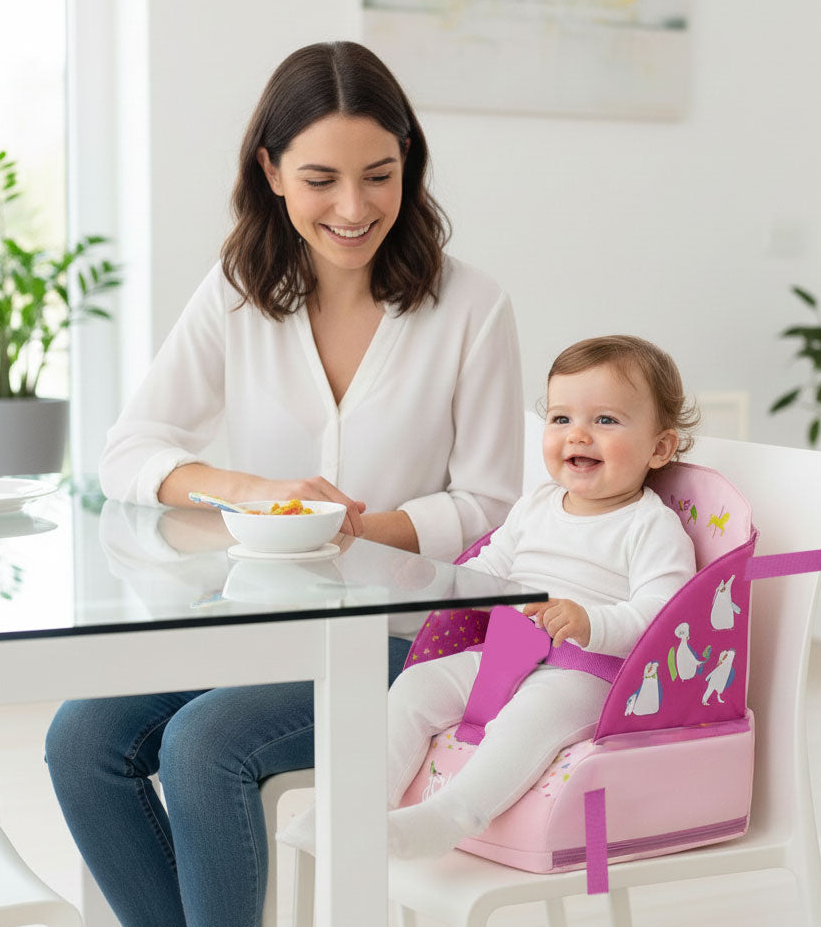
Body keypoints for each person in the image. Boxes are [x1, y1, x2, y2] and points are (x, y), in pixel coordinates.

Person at [44, 41, 523, 927]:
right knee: (82, 736)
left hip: (405, 641)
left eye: (379, 175)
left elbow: (493, 505)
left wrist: (360, 527)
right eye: (321, 179)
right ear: (270, 172)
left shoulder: (472, 306)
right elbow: (130, 451)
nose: (354, 208)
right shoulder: (238, 293)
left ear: (409, 164)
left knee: (204, 744)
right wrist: (250, 492)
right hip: (256, 623)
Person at [280, 334, 699, 861]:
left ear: (660, 447)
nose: (579, 436)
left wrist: (590, 621)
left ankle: (449, 817)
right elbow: (491, 570)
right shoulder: (537, 505)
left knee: (529, 717)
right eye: (562, 419)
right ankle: (359, 805)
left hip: (589, 671)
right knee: (414, 686)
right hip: (507, 651)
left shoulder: (651, 526)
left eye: (606, 421)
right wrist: (438, 583)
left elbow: (663, 615)